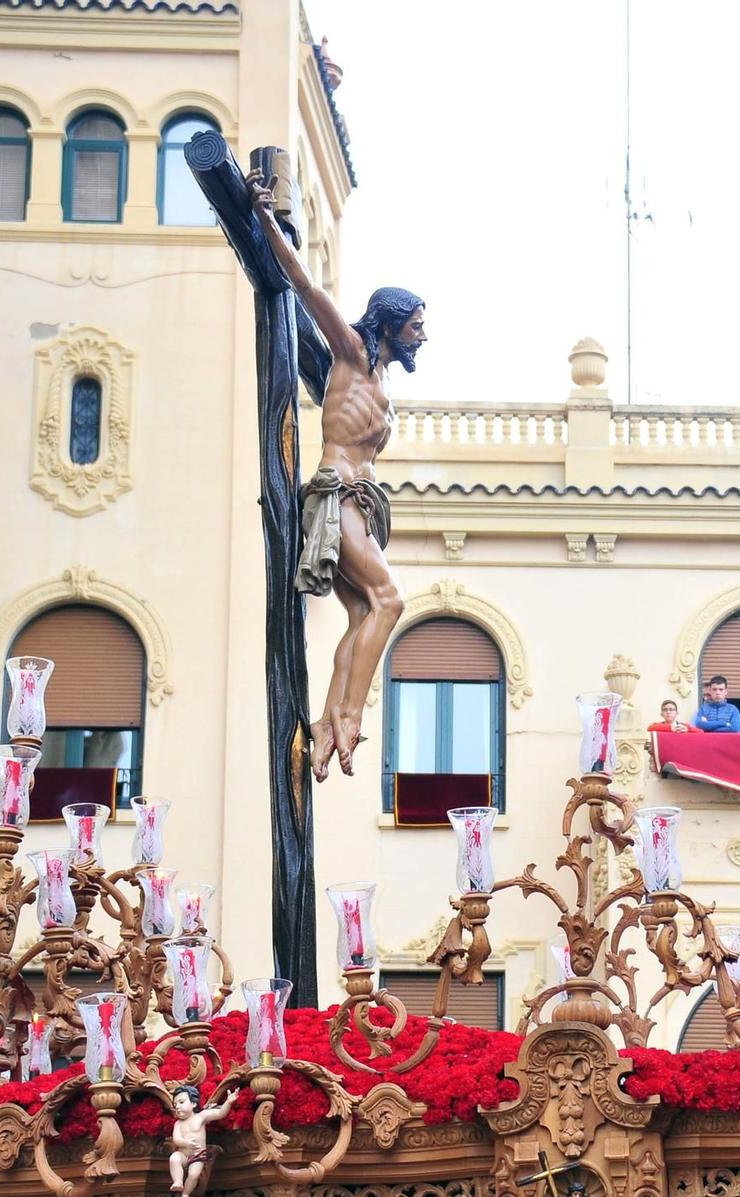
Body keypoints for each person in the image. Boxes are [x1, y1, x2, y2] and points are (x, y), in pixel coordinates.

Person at [247, 171, 427, 782]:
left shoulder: (381, 385)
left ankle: (327, 719)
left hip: (361, 503)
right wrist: (263, 215)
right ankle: (349, 715)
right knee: (389, 599)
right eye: (416, 325)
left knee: (361, 614)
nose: (422, 335)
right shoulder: (349, 353)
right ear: (389, 321)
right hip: (336, 492)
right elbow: (301, 282)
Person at [167, 1083, 241, 1197]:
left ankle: (185, 1193)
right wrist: (186, 1143)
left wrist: (228, 1102)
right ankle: (178, 1181)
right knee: (174, 1158)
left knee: (194, 1175)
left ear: (194, 1103)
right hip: (183, 1154)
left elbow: (220, 1113)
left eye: (181, 1102)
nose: (177, 1107)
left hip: (197, 1156)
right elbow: (176, 1139)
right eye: (175, 1104)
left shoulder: (201, 1117)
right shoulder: (178, 1124)